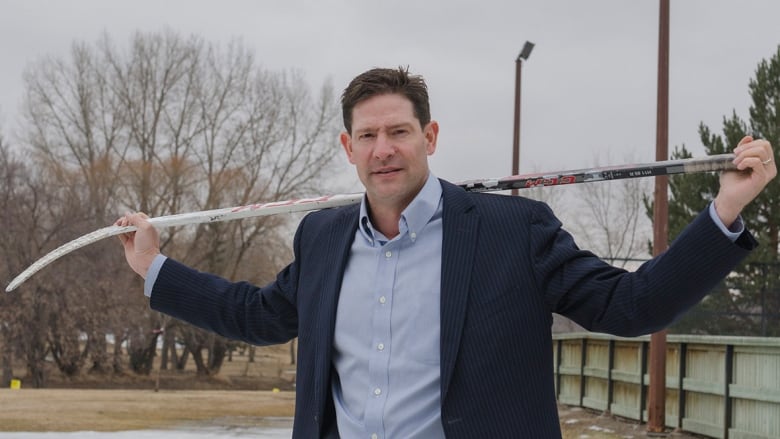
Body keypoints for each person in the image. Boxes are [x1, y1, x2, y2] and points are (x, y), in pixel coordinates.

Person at [117, 66, 777, 438]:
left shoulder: (514, 231)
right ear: (348, 148)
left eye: (399, 131)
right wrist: (154, 268)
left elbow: (628, 304)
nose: (384, 148)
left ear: (429, 135)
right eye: (368, 135)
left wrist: (724, 208)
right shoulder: (322, 239)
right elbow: (256, 314)